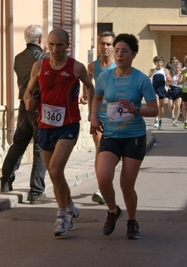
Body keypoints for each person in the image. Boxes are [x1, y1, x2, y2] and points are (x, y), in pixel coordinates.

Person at [23, 28, 94, 236]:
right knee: (57, 175)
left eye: (59, 45)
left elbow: (90, 87)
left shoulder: (76, 67)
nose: (55, 49)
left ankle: (62, 217)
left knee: (54, 170)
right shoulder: (39, 66)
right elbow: (29, 90)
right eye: (51, 45)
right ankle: (72, 208)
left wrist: (91, 110)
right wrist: (29, 99)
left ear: (67, 46)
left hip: (68, 125)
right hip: (45, 125)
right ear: (47, 44)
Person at [90, 33, 158, 239]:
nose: (119, 55)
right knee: (103, 177)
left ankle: (132, 221)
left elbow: (154, 109)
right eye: (117, 50)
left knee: (126, 184)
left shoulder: (141, 79)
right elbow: (97, 97)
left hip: (134, 136)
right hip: (110, 134)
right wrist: (93, 115)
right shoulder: (105, 77)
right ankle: (113, 211)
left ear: (133, 54)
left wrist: (136, 110)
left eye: (124, 51)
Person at [0, 25, 52, 205]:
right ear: (40, 39)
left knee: (18, 144)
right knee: (40, 148)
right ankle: (36, 192)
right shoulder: (44, 58)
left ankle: (6, 181)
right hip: (40, 106)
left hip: (24, 106)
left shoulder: (18, 58)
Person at [83, 31, 116, 205]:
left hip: (117, 117)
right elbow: (88, 85)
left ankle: (105, 183)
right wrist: (90, 110)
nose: (105, 47)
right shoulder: (92, 67)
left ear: (113, 46)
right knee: (101, 149)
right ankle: (101, 188)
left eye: (109, 44)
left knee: (113, 152)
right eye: (102, 43)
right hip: (99, 115)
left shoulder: (119, 65)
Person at [148, 56, 172, 129]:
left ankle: (160, 120)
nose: (159, 63)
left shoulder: (165, 70)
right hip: (154, 89)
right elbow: (148, 77)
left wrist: (168, 79)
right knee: (157, 104)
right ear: (155, 63)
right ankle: (156, 120)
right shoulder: (152, 70)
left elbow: (170, 80)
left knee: (161, 107)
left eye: (161, 62)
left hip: (162, 89)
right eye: (158, 62)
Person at [166, 61, 183, 126]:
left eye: (178, 67)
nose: (177, 69)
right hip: (171, 90)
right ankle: (173, 114)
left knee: (178, 105)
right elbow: (167, 82)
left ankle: (175, 120)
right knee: (170, 106)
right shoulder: (171, 73)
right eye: (175, 67)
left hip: (179, 90)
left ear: (180, 68)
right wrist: (169, 82)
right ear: (173, 68)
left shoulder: (182, 74)